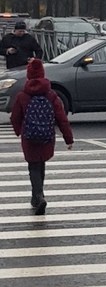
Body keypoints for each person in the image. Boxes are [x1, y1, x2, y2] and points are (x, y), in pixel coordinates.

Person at [10, 57, 73, 214]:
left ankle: (38, 196)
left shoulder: (23, 95)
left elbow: (15, 117)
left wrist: (19, 131)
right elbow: (62, 118)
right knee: (41, 163)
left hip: (29, 136)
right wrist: (68, 139)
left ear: (29, 75)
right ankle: (38, 196)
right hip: (46, 136)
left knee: (33, 166)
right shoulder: (51, 95)